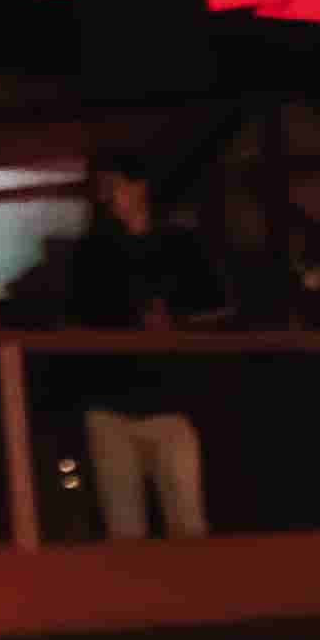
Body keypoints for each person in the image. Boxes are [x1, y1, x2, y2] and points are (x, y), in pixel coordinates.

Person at [58, 157, 227, 540]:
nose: (107, 196)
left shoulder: (181, 246)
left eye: (114, 185)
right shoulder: (92, 252)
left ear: (140, 187)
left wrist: (175, 323)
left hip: (171, 401)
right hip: (110, 405)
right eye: (103, 188)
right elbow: (73, 322)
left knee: (187, 524)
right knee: (124, 529)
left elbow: (217, 309)